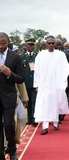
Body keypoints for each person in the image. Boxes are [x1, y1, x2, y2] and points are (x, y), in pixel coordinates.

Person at [34, 35, 69, 135]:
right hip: (44, 84)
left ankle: (55, 123)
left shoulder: (61, 55)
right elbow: (36, 71)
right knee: (45, 104)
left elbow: (65, 69)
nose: (51, 45)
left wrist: (63, 83)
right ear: (46, 44)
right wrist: (37, 85)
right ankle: (45, 126)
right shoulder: (41, 55)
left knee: (55, 103)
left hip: (56, 84)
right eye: (49, 43)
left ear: (55, 44)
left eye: (52, 43)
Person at [0, 32, 24, 160]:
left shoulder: (15, 57)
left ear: (8, 43)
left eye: (3, 44)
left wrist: (9, 74)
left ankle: (12, 149)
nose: (1, 46)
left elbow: (21, 78)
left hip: (9, 97)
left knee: (9, 124)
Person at [21, 38, 38, 126]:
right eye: (29, 45)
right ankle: (29, 118)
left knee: (34, 101)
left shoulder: (37, 56)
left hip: (35, 83)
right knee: (28, 101)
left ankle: (34, 118)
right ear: (26, 46)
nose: (31, 47)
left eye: (32, 45)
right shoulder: (22, 57)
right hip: (26, 83)